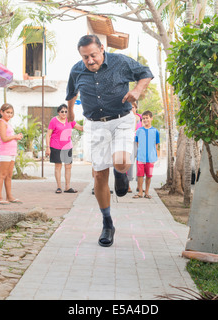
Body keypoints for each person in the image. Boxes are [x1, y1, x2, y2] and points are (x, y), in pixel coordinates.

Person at [66, 34, 153, 247]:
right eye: (85, 57)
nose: (90, 61)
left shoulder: (121, 62)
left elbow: (146, 73)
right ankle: (107, 222)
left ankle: (121, 171)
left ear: (102, 48)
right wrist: (70, 113)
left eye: (93, 55)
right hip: (94, 125)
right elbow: (70, 93)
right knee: (99, 175)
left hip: (121, 120)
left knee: (121, 161)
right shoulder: (77, 70)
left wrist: (137, 90)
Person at [45, 103, 83, 193]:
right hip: (56, 146)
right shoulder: (54, 121)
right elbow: (48, 135)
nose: (64, 113)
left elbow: (80, 128)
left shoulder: (70, 120)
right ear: (58, 112)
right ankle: (59, 187)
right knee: (58, 167)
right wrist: (47, 147)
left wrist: (91, 124)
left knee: (68, 167)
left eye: (66, 111)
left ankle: (67, 187)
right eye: (62, 111)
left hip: (67, 147)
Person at [0, 103, 23, 205]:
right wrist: (15, 136)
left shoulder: (7, 123)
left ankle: (9, 196)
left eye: (11, 113)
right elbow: (4, 138)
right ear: (1, 112)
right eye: (7, 112)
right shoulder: (1, 123)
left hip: (11, 152)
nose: (9, 115)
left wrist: (17, 136)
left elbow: (9, 137)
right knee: (2, 175)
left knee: (9, 175)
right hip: (5, 152)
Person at [133, 110, 160, 199]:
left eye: (147, 118)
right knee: (140, 175)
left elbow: (156, 145)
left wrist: (153, 155)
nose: (145, 120)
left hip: (151, 158)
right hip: (141, 157)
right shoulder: (139, 131)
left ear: (151, 119)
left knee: (149, 175)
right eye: (143, 118)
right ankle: (140, 192)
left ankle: (147, 192)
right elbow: (137, 143)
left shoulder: (155, 131)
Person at [126, 101, 142, 192]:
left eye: (133, 107)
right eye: (129, 107)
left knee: (140, 164)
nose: (131, 109)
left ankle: (139, 185)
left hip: (140, 143)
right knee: (129, 164)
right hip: (130, 143)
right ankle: (127, 185)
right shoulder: (126, 119)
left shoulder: (141, 118)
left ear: (136, 108)